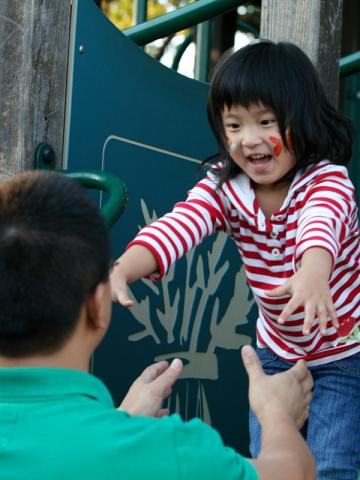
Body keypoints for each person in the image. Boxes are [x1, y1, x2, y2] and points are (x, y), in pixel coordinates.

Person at [110, 40, 360, 479]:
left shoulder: (325, 180)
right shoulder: (224, 188)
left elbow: (323, 224)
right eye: (234, 125)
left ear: (299, 120)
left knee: (331, 463)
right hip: (276, 351)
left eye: (266, 121)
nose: (250, 139)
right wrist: (125, 267)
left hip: (343, 350)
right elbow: (180, 225)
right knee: (268, 462)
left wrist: (313, 272)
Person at [0, 170, 315, 480]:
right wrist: (277, 414)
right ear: (99, 307)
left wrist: (121, 419)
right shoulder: (173, 452)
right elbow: (293, 474)